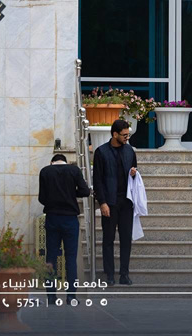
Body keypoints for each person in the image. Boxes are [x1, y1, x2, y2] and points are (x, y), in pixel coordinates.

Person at [38, 154, 90, 305]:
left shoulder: (45, 171)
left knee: (51, 257)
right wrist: (71, 193)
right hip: (70, 219)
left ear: (52, 162)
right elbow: (85, 191)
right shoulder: (74, 170)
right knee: (71, 258)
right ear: (65, 162)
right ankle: (71, 296)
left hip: (52, 218)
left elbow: (42, 198)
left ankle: (51, 296)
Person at [93, 119, 138, 285]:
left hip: (126, 202)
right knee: (108, 239)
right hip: (110, 202)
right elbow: (97, 179)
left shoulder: (130, 151)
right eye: (124, 135)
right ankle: (110, 275)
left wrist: (133, 173)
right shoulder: (101, 152)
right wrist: (102, 202)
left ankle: (124, 274)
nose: (127, 138)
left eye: (128, 135)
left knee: (126, 239)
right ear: (114, 134)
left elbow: (135, 172)